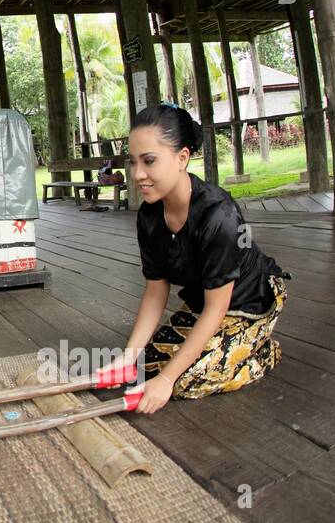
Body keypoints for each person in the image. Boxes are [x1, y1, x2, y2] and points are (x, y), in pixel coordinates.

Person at [115, 104, 289, 414]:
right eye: (133, 162)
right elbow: (156, 291)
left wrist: (168, 379)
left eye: (149, 161)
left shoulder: (219, 215)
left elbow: (218, 308)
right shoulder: (149, 216)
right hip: (203, 301)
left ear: (182, 158)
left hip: (250, 301)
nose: (137, 174)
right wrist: (128, 357)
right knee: (145, 369)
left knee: (184, 382)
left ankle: (262, 353)